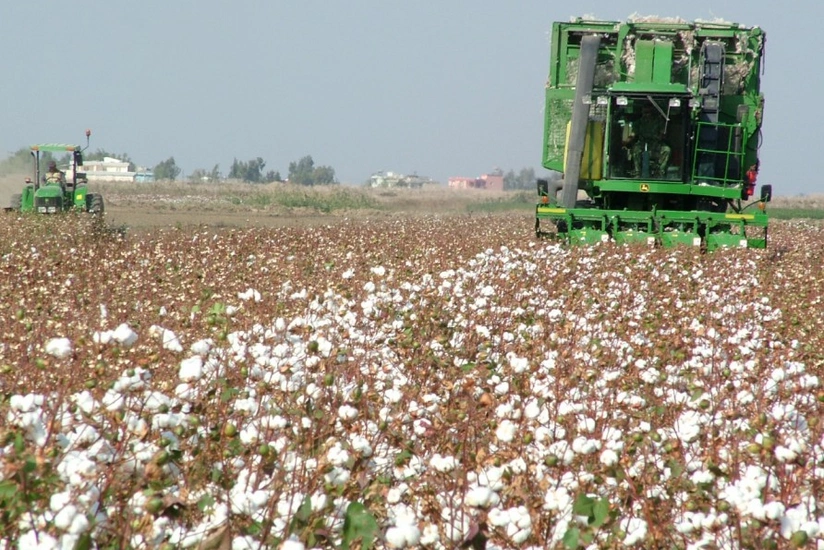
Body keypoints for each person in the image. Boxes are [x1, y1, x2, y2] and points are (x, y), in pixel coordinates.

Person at [627, 103, 671, 178]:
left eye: (649, 113)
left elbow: (662, 133)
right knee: (635, 149)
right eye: (645, 113)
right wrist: (628, 140)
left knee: (667, 150)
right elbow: (633, 134)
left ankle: (659, 171)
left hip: (656, 144)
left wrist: (659, 137)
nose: (647, 115)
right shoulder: (638, 122)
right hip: (642, 143)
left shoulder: (659, 121)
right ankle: (637, 172)